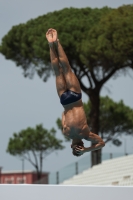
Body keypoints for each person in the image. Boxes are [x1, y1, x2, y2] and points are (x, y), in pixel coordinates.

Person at [46, 28, 105, 156]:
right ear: (71, 146)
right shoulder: (66, 133)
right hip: (64, 100)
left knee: (67, 69)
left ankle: (57, 42)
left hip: (76, 97)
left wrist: (87, 150)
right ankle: (51, 45)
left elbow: (101, 143)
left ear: (82, 145)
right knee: (58, 72)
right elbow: (63, 115)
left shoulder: (85, 134)